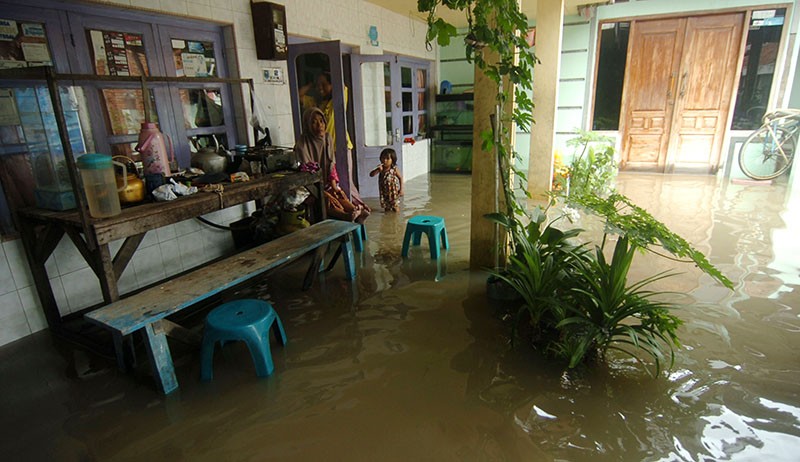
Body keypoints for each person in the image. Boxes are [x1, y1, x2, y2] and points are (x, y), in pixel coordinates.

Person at [294, 107, 368, 222]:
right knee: (326, 199)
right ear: (307, 125)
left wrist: (334, 187)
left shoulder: (327, 138)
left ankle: (355, 211)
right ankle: (346, 216)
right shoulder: (302, 145)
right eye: (314, 122)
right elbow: (305, 174)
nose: (319, 125)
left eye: (321, 121)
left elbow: (331, 165)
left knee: (338, 194)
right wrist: (321, 191)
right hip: (309, 186)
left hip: (325, 183)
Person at [370, 148, 403, 212]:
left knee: (395, 207)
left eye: (387, 159)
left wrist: (401, 189)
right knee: (386, 208)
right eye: (383, 158)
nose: (385, 160)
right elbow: (371, 175)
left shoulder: (394, 169)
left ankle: (397, 217)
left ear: (392, 160)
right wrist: (377, 170)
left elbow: (400, 178)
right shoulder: (380, 169)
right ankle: (388, 217)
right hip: (384, 192)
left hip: (393, 192)